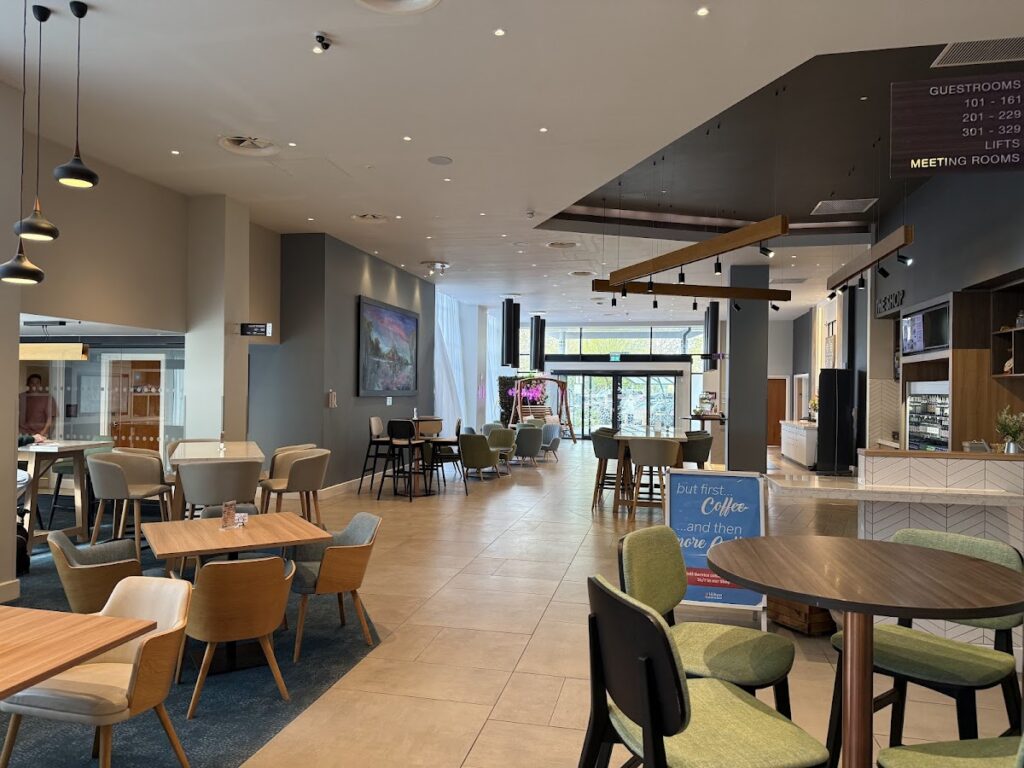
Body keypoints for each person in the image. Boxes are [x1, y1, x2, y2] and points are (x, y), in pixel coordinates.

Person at [18, 374, 56, 439]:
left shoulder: (47, 398)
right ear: (27, 384)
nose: (34, 385)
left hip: (39, 434)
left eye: (37, 383)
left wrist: (42, 434)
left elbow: (50, 419)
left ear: (40, 385)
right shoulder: (21, 397)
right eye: (32, 383)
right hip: (22, 434)